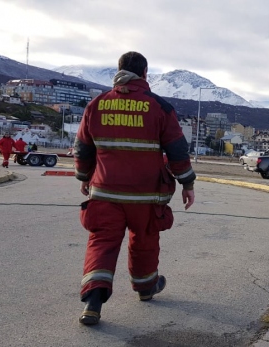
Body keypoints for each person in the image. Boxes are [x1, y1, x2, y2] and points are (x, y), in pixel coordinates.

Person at [74, 51, 196, 326]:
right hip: (146, 196)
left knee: (102, 243)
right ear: (144, 74)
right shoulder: (160, 107)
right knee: (144, 241)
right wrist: (187, 183)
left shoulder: (96, 105)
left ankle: (93, 302)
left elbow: (83, 147)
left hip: (105, 194)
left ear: (117, 72)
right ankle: (145, 288)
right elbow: (177, 150)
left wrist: (84, 177)